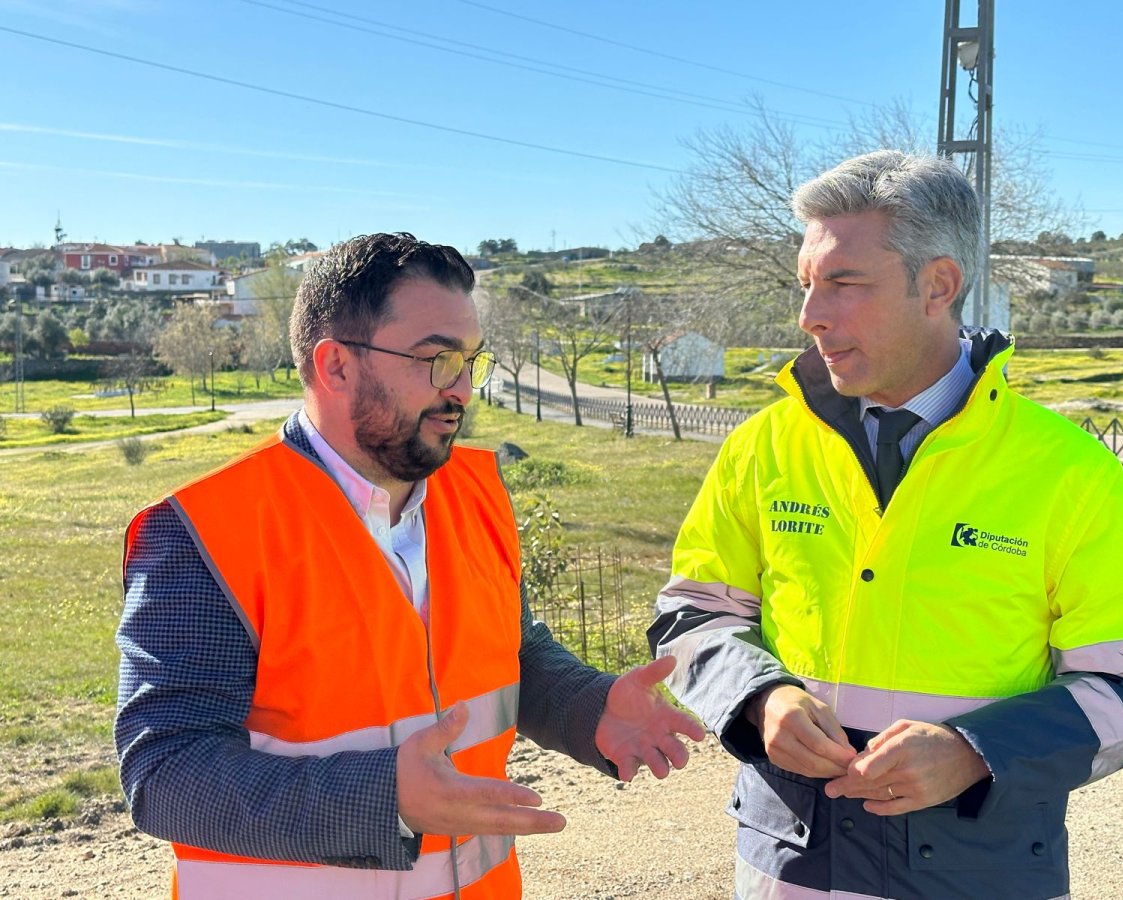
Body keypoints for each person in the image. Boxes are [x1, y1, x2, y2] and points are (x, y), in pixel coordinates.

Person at [649, 151, 1123, 899]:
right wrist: (760, 697)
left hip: (982, 874)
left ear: (938, 285)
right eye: (808, 285)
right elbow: (692, 617)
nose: (810, 316)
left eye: (844, 283)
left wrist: (976, 752)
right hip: (790, 870)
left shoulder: (1068, 470)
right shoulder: (762, 447)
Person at [116, 231, 705, 899]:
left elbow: (513, 656)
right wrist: (384, 798)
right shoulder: (208, 533)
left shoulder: (477, 494)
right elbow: (165, 773)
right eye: (436, 360)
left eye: (471, 361)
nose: (462, 389)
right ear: (336, 365)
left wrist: (587, 707)